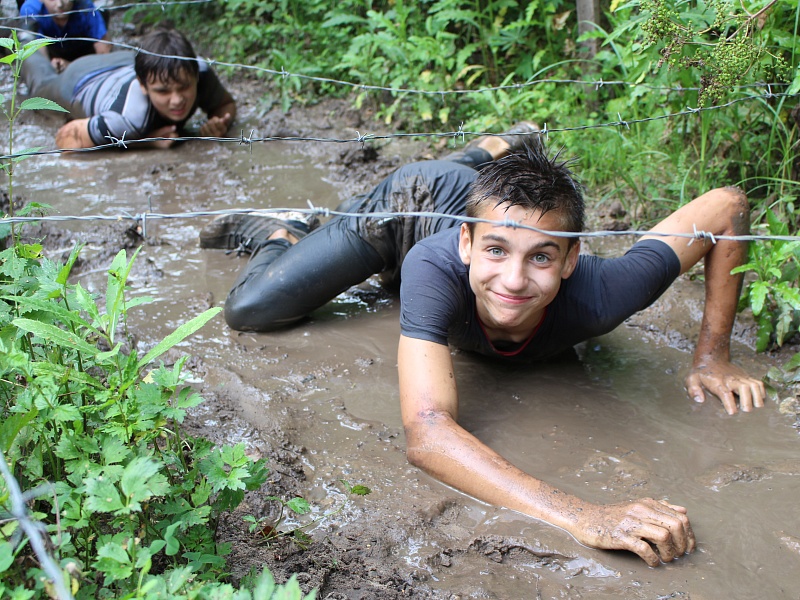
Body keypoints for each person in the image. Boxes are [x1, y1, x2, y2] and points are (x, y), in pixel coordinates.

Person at [201, 134, 765, 565]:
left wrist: (711, 357)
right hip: (414, 204)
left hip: (478, 211)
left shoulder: (606, 292)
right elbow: (427, 433)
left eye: (542, 257)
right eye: (496, 252)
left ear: (571, 261)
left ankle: (485, 159)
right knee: (252, 310)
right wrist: (582, 515)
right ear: (466, 245)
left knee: (461, 247)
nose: (514, 281)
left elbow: (726, 205)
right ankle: (285, 233)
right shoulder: (433, 265)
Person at [20, 28, 236, 149]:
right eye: (163, 91)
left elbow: (225, 104)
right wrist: (145, 142)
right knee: (40, 86)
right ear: (143, 86)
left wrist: (218, 122)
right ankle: (25, 39)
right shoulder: (128, 118)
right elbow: (65, 139)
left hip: (124, 62)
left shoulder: (199, 71)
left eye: (184, 87)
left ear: (195, 76)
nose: (177, 100)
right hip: (81, 79)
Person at [19, 0, 110, 72]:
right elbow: (40, 63)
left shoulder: (85, 7)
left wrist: (71, 66)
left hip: (85, 54)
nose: (60, 4)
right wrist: (50, 68)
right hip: (53, 54)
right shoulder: (31, 10)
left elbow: (104, 56)